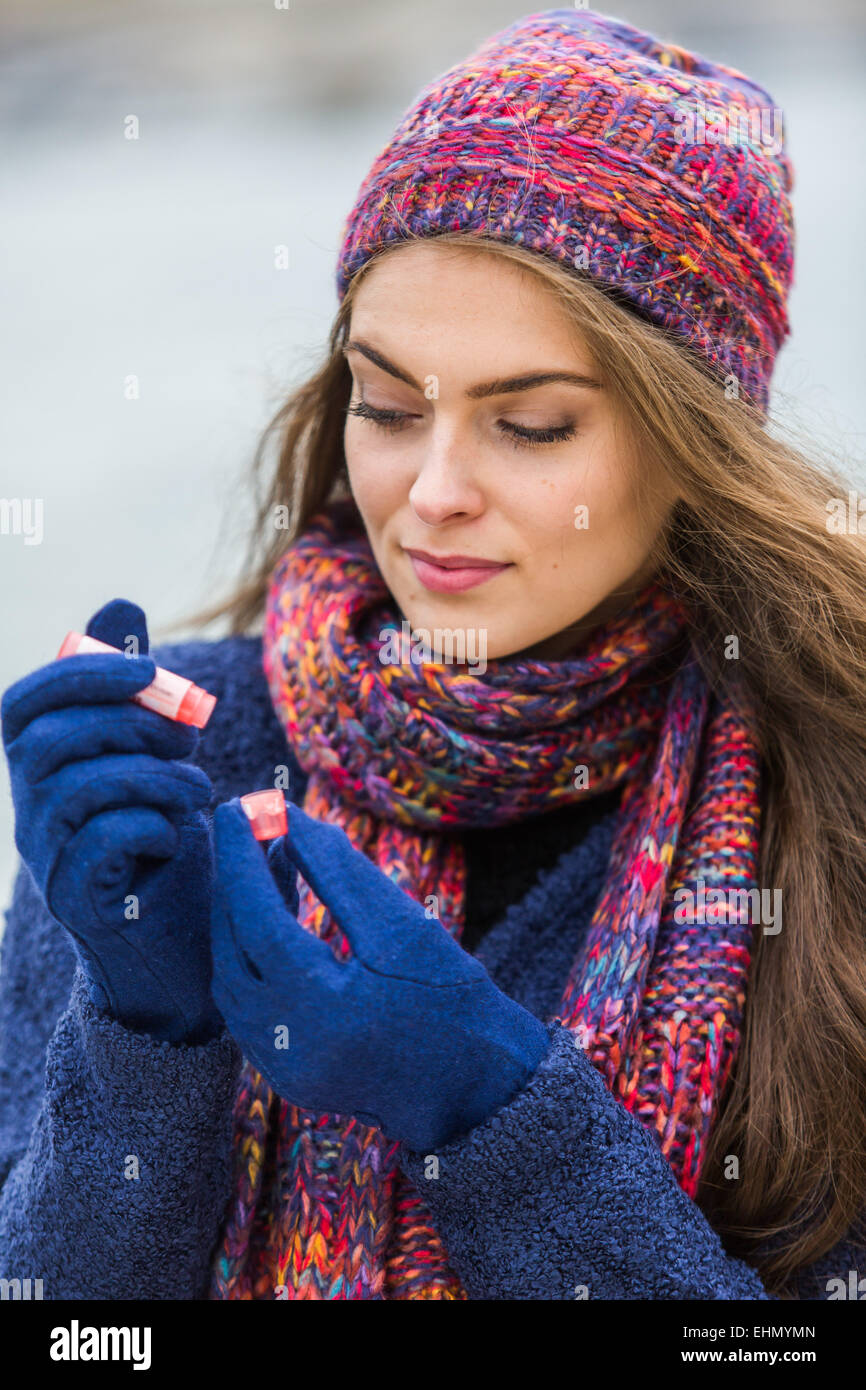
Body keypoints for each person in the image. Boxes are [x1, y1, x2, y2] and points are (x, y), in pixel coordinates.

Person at [2, 7, 865, 1302]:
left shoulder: (833, 809)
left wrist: (492, 1111)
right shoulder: (182, 758)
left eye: (528, 423)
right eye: (388, 403)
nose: (431, 489)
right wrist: (143, 1031)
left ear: (694, 449)